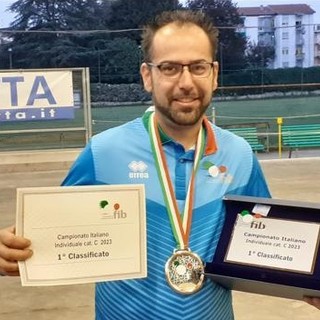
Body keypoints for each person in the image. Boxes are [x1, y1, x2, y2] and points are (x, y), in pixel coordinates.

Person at [0, 9, 319, 320]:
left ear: (214, 74)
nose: (186, 82)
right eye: (169, 68)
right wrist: (11, 252)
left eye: (198, 67)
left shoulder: (239, 155)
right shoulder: (103, 152)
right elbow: (48, 239)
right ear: (147, 76)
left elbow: (272, 244)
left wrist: (311, 278)